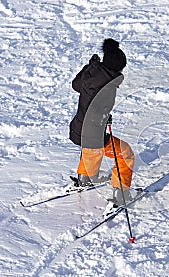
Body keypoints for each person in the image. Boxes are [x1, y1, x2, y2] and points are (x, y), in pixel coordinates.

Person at [69, 38, 137, 211]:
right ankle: (121, 194)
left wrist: (90, 67)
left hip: (78, 129)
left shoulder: (93, 74)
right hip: (93, 134)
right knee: (125, 154)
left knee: (91, 149)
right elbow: (99, 107)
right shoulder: (108, 86)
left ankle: (85, 178)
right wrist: (104, 117)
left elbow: (76, 85)